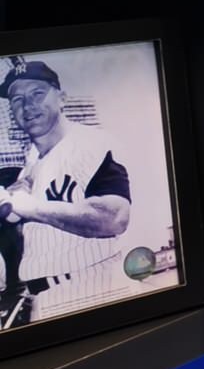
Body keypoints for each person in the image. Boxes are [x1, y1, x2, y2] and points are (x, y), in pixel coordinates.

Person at [0, 60, 132, 328]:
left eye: (37, 93)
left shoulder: (91, 143)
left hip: (93, 288)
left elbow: (115, 218)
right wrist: (16, 202)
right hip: (44, 298)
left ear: (62, 98)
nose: (27, 106)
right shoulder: (32, 161)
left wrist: (32, 208)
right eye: (17, 100)